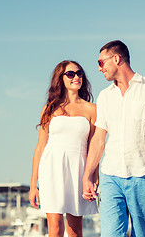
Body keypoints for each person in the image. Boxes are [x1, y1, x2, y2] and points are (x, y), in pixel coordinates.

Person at [82, 40, 145, 236]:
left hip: (143, 174)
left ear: (116, 58)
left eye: (101, 62)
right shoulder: (105, 96)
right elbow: (99, 138)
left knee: (142, 234)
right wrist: (87, 175)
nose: (99, 69)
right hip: (110, 176)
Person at [29, 60, 98, 237]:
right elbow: (40, 147)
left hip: (78, 170)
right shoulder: (50, 108)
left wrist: (93, 176)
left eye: (80, 73)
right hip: (51, 168)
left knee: (75, 232)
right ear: (61, 79)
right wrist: (32, 185)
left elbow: (94, 147)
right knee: (55, 229)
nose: (76, 77)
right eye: (71, 74)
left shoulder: (92, 109)